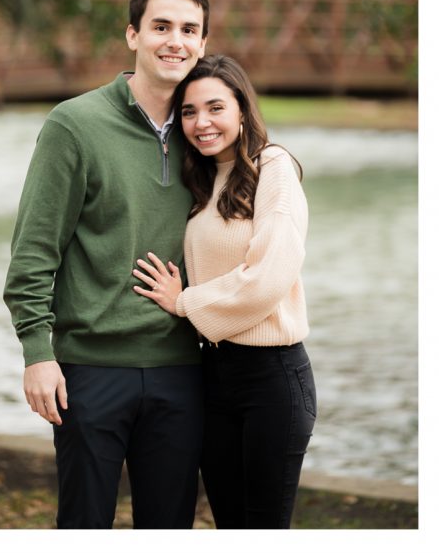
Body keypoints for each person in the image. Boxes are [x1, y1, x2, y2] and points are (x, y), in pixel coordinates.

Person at [4, 0, 210, 528]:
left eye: (189, 30)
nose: (175, 41)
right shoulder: (75, 124)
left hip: (183, 370)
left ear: (203, 44)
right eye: (161, 26)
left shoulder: (209, 134)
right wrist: (37, 353)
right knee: (84, 525)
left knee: (168, 527)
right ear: (132, 35)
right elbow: (33, 252)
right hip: (90, 371)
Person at [132, 54, 315, 528]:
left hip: (271, 377)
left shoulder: (273, 166)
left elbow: (268, 277)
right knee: (229, 523)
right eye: (189, 112)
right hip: (212, 374)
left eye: (215, 107)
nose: (201, 123)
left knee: (263, 526)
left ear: (241, 108)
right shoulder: (203, 178)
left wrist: (184, 302)